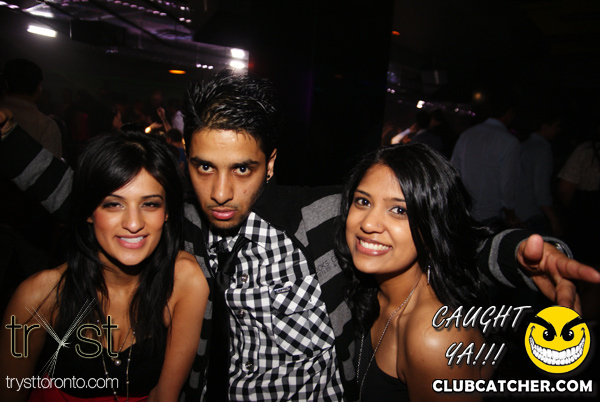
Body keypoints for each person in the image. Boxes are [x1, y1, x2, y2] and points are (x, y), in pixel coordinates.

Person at [1, 70, 599, 401]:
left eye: (243, 170)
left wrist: (525, 259)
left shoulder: (319, 215)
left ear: (271, 165)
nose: (221, 192)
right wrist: (6, 137)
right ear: (186, 159)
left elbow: (433, 228)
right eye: (204, 167)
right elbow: (86, 198)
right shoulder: (177, 222)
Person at [0, 130, 208, 401]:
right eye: (113, 204)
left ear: (167, 212)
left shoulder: (183, 280)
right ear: (89, 211)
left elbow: (164, 396)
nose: (133, 224)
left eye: (149, 204)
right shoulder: (38, 296)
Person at [336, 144, 495, 401]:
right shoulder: (374, 291)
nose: (368, 223)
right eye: (363, 201)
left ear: (432, 226)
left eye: (399, 210)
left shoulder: (436, 338)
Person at [451, 90, 521, 227]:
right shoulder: (510, 142)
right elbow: (508, 183)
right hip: (491, 213)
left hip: (464, 211)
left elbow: (453, 170)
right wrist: (510, 213)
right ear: (509, 113)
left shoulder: (467, 135)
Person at [515, 110, 562, 236]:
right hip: (531, 214)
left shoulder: (523, 146)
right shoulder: (542, 150)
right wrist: (554, 220)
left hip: (517, 212)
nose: (558, 130)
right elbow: (541, 190)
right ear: (545, 126)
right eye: (556, 126)